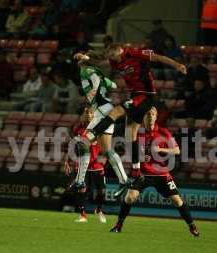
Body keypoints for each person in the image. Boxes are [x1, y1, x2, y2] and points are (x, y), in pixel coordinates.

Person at [78, 44, 186, 197]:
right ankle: (136, 173)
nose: (110, 57)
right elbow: (101, 62)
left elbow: (158, 57)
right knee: (131, 136)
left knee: (116, 111)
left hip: (146, 95)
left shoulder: (134, 54)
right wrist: (86, 57)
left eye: (111, 54)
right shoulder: (116, 61)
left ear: (119, 50)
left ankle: (90, 135)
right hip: (134, 96)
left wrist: (177, 65)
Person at [110, 107, 199, 237]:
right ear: (144, 116)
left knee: (177, 200)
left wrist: (161, 150)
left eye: (153, 114)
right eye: (147, 114)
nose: (150, 116)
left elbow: (177, 150)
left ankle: (192, 226)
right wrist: (140, 156)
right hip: (143, 173)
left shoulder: (163, 132)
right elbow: (132, 149)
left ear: (156, 116)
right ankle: (118, 225)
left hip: (161, 174)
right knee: (130, 197)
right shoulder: (137, 131)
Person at [71, 51, 129, 193]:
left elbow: (95, 80)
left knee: (83, 143)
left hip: (101, 110)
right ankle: (124, 180)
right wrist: (103, 82)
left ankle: (79, 181)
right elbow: (114, 85)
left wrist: (93, 92)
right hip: (108, 108)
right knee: (107, 150)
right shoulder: (97, 71)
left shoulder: (87, 70)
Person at [64, 107, 107, 223]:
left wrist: (105, 156)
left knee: (101, 192)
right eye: (86, 112)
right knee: (81, 189)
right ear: (83, 114)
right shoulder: (78, 129)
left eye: (91, 112)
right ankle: (83, 215)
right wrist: (67, 161)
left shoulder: (100, 128)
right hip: (82, 164)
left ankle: (98, 210)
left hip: (97, 164)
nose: (88, 114)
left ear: (94, 115)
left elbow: (106, 145)